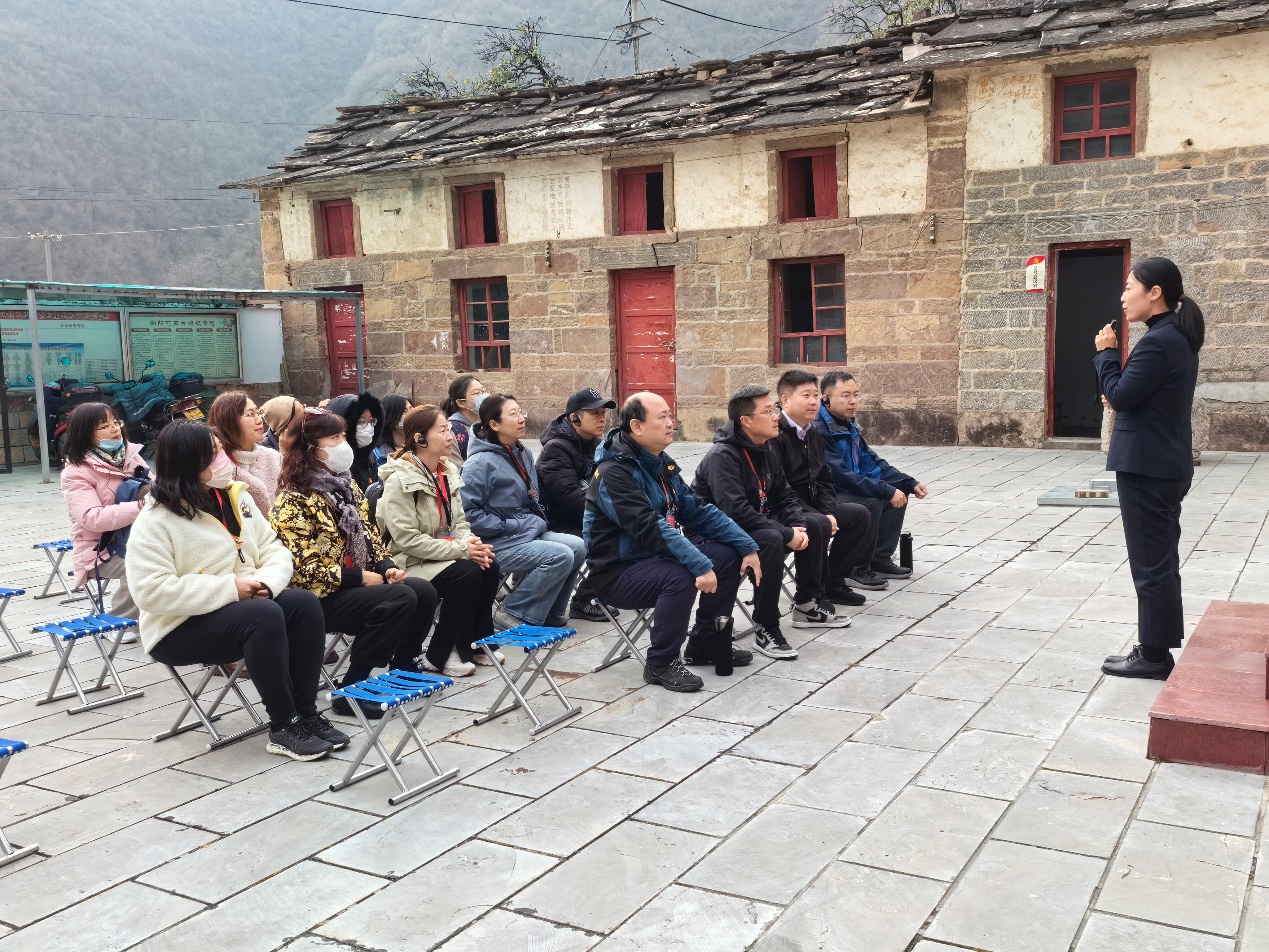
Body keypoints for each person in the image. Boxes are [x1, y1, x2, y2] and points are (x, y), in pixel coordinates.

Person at [125, 421, 346, 761]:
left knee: (302, 603)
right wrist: (231, 589)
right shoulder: (156, 519)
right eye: (213, 455)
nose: (224, 460)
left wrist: (266, 584)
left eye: (221, 451)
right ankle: (283, 724)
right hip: (178, 627)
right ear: (188, 462)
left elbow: (273, 548)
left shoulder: (235, 497)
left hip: (245, 605)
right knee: (263, 614)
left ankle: (305, 711)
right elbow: (150, 591)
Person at [585, 392, 761, 693]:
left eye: (670, 415)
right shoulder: (613, 473)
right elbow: (649, 528)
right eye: (663, 417)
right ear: (637, 426)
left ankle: (705, 643)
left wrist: (747, 545)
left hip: (654, 558)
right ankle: (661, 662)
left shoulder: (658, 464)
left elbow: (697, 511)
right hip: (617, 572)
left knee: (727, 555)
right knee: (680, 575)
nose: (671, 423)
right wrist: (699, 564)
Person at [270, 407, 441, 712]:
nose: (343, 444)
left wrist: (387, 567)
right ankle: (352, 689)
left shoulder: (345, 486)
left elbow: (369, 535)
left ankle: (403, 667)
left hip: (353, 584)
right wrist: (358, 578)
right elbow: (301, 570)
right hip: (317, 596)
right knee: (399, 598)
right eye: (333, 438)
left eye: (342, 436)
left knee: (423, 591)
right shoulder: (293, 499)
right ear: (311, 447)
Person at [1096, 257, 1203, 680]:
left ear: (1154, 292)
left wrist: (1106, 355)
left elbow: (1122, 395)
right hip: (1164, 461)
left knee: (1150, 564)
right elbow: (1135, 394)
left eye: (1129, 287)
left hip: (1148, 466)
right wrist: (1119, 390)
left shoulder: (1159, 341)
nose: (1123, 296)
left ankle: (1154, 656)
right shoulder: (1174, 336)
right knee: (1160, 560)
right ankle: (1156, 647)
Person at [694, 385, 848, 662]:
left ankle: (807, 603)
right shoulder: (722, 456)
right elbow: (735, 511)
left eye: (774, 409)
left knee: (816, 524)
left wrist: (797, 525)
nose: (776, 416)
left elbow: (785, 495)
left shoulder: (765, 447)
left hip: (754, 522)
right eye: (768, 411)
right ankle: (766, 625)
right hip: (717, 531)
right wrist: (786, 532)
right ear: (746, 421)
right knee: (771, 539)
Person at [377, 404, 501, 676]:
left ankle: (477, 643)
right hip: (410, 560)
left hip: (443, 552)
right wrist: (462, 549)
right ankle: (442, 654)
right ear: (420, 439)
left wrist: (472, 545)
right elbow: (408, 540)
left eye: (449, 429)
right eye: (442, 430)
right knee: (466, 573)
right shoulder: (399, 480)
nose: (449, 436)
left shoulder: (446, 471)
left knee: (488, 565)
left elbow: (459, 523)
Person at [460, 394, 587, 629]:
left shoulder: (522, 452)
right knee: (560, 555)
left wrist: (530, 522)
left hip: (524, 533)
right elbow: (468, 516)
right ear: (494, 424)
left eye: (521, 412)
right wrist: (512, 525)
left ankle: (550, 612)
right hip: (493, 543)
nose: (521, 419)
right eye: (513, 414)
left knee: (578, 546)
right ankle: (513, 613)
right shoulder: (478, 464)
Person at [816, 371, 928, 592]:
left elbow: (872, 463)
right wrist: (884, 490)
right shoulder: (819, 429)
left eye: (856, 395)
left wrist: (908, 482)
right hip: (826, 495)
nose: (853, 401)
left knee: (896, 491)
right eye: (845, 395)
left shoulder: (848, 424)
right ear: (826, 399)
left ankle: (879, 558)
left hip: (846, 489)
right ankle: (855, 568)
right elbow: (839, 475)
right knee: (871, 502)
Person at [772, 370, 872, 609]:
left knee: (859, 514)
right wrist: (821, 515)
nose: (813, 401)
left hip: (814, 505)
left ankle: (833, 582)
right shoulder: (775, 435)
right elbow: (780, 488)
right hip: (786, 509)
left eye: (816, 395)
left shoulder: (813, 431)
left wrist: (828, 510)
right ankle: (810, 596)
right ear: (785, 400)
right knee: (818, 523)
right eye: (805, 395)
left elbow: (825, 478)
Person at [59, 402, 146, 632]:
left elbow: (155, 487)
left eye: (115, 422)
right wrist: (142, 507)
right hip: (100, 550)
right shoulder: (75, 472)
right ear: (86, 434)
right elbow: (92, 518)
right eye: (104, 426)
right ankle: (117, 623)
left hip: (136, 539)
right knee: (140, 565)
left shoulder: (130, 456)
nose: (115, 429)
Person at [537, 387, 619, 623]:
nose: (602, 419)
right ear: (574, 417)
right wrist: (613, 515)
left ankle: (613, 587)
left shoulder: (596, 444)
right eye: (594, 413)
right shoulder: (556, 448)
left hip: (584, 515)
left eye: (603, 413)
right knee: (614, 537)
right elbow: (571, 498)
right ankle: (584, 600)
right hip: (558, 522)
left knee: (637, 527)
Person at [208, 391, 283, 514]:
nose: (259, 420)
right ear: (229, 421)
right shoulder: (219, 469)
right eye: (250, 414)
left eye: (258, 413)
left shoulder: (274, 457)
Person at [326, 391, 384, 491]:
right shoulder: (331, 462)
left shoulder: (370, 457)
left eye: (371, 421)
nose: (368, 427)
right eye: (361, 422)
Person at [442, 374, 489, 462]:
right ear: (461, 403)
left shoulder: (491, 424)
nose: (484, 396)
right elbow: (455, 467)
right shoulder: (453, 431)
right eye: (476, 393)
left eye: (484, 391)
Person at [374, 394, 412, 468]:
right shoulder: (377, 455)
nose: (411, 414)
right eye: (404, 411)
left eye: (411, 408)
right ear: (390, 418)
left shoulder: (421, 445)